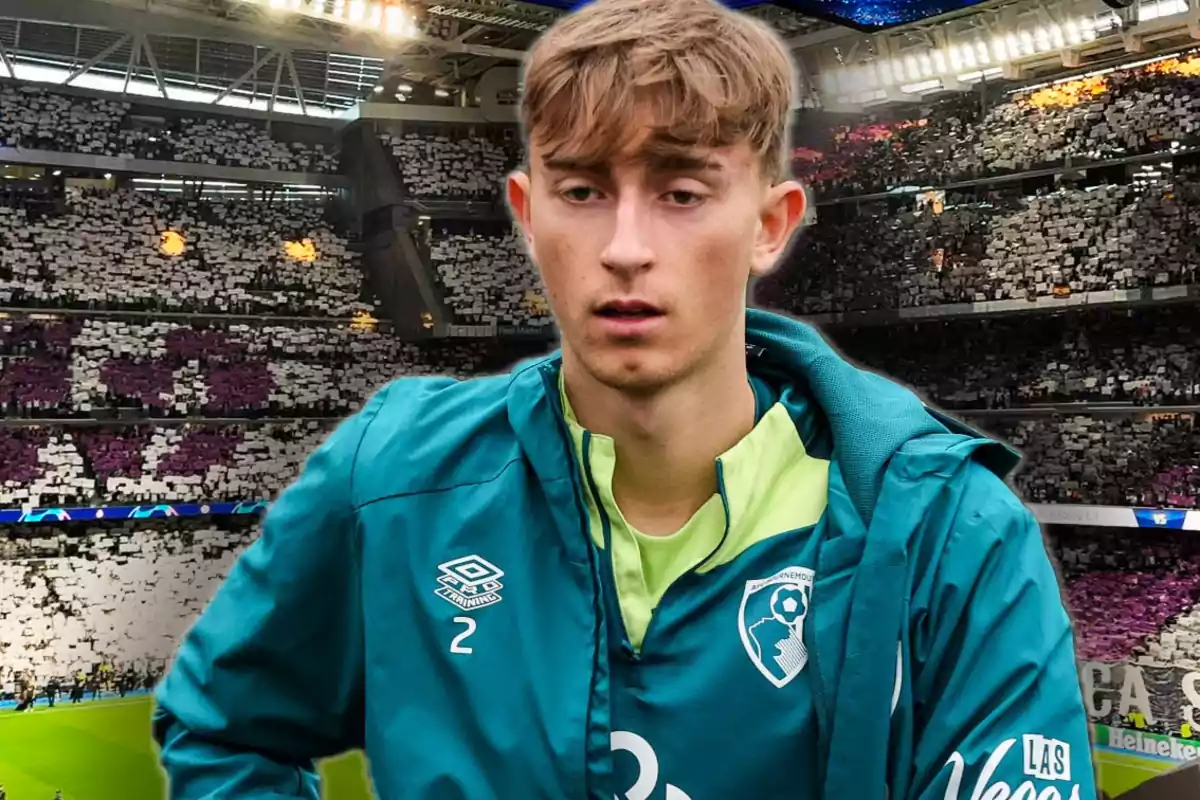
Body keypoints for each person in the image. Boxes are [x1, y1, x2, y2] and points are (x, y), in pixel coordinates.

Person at [152, 0, 1096, 797]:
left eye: (682, 191)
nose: (626, 246)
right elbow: (227, 731)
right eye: (583, 189)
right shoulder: (391, 475)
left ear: (771, 225)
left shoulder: (951, 529)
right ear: (528, 216)